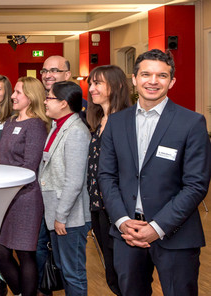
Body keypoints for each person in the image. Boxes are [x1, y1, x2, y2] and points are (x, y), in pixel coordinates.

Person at [99, 49, 211, 296]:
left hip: (176, 235)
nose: (153, 81)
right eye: (146, 74)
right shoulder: (116, 123)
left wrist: (157, 227)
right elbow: (106, 176)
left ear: (171, 81)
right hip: (126, 233)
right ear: (134, 78)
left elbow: (196, 185)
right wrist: (122, 221)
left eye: (162, 76)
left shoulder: (191, 123)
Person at [0, 77, 49, 296]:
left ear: (31, 97)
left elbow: (29, 168)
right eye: (14, 92)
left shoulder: (35, 125)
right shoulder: (10, 121)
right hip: (4, 198)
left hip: (25, 198)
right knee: (0, 253)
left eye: (18, 92)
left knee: (25, 254)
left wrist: (6, 188)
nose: (13, 96)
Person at [39, 81, 91, 296]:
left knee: (73, 273)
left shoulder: (76, 131)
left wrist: (61, 216)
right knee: (63, 267)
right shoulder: (57, 125)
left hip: (70, 216)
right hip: (57, 213)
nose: (45, 101)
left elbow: (74, 181)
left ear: (63, 103)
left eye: (49, 98)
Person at [86, 65, 130, 296]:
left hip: (117, 207)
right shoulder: (99, 120)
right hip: (97, 205)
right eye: (91, 83)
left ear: (117, 85)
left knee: (124, 274)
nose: (92, 88)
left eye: (98, 83)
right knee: (111, 272)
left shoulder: (125, 121)